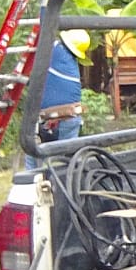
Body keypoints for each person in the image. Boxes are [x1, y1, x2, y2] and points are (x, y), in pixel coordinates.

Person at [28, 28, 90, 167]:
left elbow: (44, 32)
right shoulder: (70, 62)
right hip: (71, 117)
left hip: (56, 118)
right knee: (67, 165)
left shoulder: (58, 52)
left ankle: (31, 179)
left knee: (32, 155)